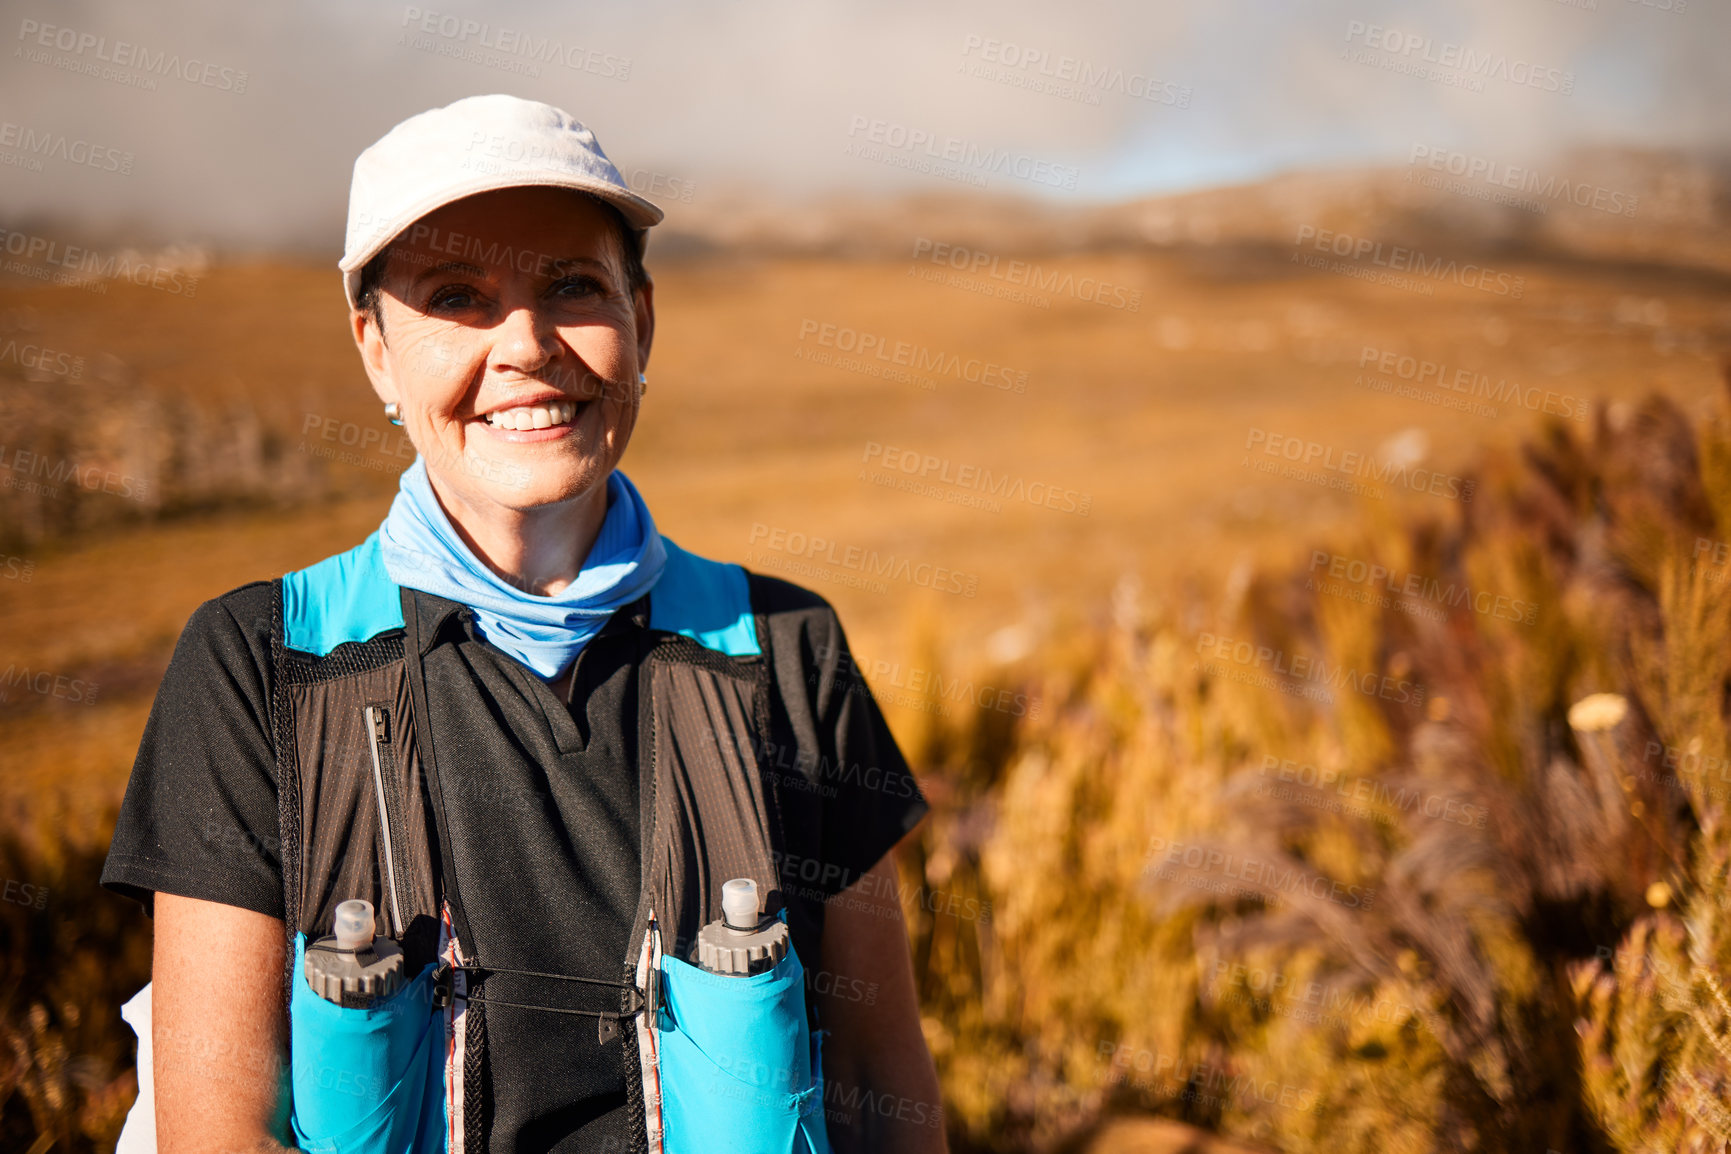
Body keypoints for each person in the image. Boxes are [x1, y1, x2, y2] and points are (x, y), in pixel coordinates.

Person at [100, 94, 945, 1154]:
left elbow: (877, 1082)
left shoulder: (786, 646)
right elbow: (217, 1130)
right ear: (375, 352)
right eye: (456, 296)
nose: (529, 346)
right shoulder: (258, 663)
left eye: (573, 288)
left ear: (642, 319)